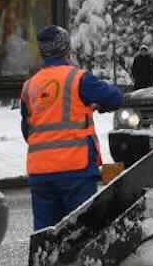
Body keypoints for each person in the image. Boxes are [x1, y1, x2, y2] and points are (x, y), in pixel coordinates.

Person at [20, 25, 125, 230]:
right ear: (67, 50)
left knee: (45, 236)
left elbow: (28, 131)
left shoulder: (30, 86)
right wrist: (97, 105)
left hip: (40, 172)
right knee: (79, 233)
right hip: (75, 169)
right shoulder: (78, 79)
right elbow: (115, 98)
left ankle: (46, 264)